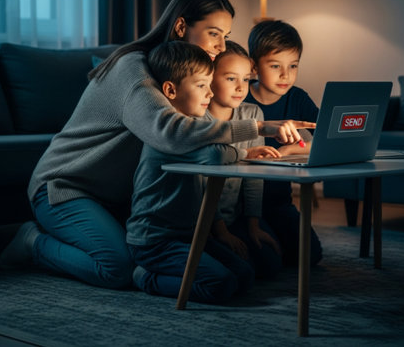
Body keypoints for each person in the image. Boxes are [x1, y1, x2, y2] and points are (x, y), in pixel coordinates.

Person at [0, 0, 315, 289]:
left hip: (114, 196)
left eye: (226, 37)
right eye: (214, 34)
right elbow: (172, 134)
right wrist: (260, 128)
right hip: (65, 188)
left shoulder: (181, 74)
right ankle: (32, 241)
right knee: (117, 269)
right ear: (180, 28)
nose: (220, 47)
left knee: (206, 260)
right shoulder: (135, 72)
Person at [127, 40, 267, 303]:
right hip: (155, 241)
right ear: (170, 89)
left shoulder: (194, 125)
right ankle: (145, 277)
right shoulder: (170, 134)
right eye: (202, 85)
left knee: (246, 276)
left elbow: (216, 152)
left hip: (188, 235)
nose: (210, 94)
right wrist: (246, 152)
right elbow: (215, 154)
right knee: (221, 284)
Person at [244, 20, 323, 266]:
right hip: (241, 204)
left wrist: (294, 149)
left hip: (279, 201)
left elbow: (326, 135)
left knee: (311, 256)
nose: (285, 75)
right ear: (255, 66)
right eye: (275, 65)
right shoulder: (239, 95)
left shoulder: (297, 98)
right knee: (268, 261)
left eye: (293, 66)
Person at [205, 41, 282, 279]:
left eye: (246, 79)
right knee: (241, 272)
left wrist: (253, 226)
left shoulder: (252, 114)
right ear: (209, 78)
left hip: (235, 217)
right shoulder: (197, 118)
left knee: (271, 266)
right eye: (230, 79)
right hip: (206, 221)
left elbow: (253, 175)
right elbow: (202, 182)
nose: (241, 87)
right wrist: (220, 231)